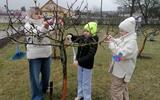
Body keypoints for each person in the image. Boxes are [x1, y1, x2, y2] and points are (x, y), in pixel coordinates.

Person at [104, 17, 138, 100]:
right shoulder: (126, 38)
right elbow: (119, 41)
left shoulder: (131, 42)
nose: (120, 32)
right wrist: (112, 39)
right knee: (122, 89)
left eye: (122, 31)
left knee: (115, 91)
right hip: (119, 70)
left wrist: (111, 44)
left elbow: (120, 54)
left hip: (122, 72)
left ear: (128, 31)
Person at [24, 7, 52, 100]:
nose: (39, 15)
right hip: (34, 56)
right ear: (30, 15)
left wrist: (56, 25)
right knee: (35, 78)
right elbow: (36, 37)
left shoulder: (44, 23)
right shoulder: (28, 26)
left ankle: (43, 90)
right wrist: (45, 28)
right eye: (36, 13)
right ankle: (37, 96)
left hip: (47, 53)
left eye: (40, 13)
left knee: (46, 76)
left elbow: (51, 32)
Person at [66, 22, 99, 100]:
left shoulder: (94, 40)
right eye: (84, 31)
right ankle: (80, 94)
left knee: (86, 83)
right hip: (80, 64)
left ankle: (87, 98)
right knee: (80, 80)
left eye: (87, 31)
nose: (85, 33)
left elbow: (91, 55)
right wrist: (71, 35)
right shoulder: (83, 37)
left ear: (92, 32)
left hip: (87, 65)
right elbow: (76, 38)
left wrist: (78, 61)